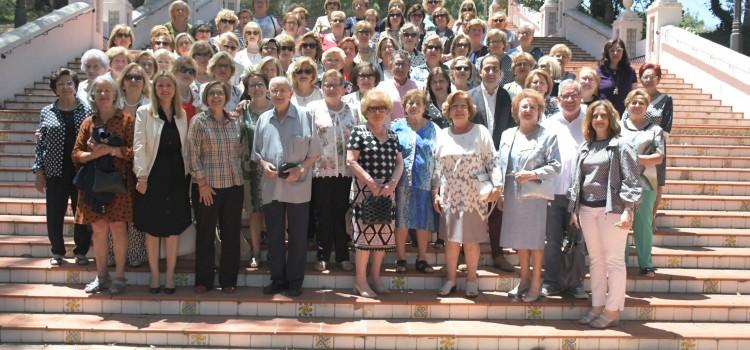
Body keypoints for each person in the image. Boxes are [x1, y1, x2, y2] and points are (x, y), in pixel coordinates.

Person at [569, 100, 641, 329]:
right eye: (595, 116)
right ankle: (597, 306)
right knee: (597, 261)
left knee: (614, 261)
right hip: (587, 210)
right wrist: (574, 209)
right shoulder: (586, 146)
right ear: (590, 120)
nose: (599, 120)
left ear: (611, 118)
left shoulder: (621, 145)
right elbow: (578, 181)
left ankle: (612, 311)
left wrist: (629, 209)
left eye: (603, 115)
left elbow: (632, 179)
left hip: (613, 210)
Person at [254, 77, 321, 297]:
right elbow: (257, 154)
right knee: (273, 235)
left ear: (291, 92)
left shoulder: (306, 117)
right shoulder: (263, 119)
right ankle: (277, 279)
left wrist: (300, 169)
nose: (278, 94)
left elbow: (315, 154)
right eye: (274, 90)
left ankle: (294, 281)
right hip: (272, 186)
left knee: (298, 236)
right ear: (268, 93)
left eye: (283, 90)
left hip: (298, 186)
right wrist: (264, 165)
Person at [433, 90, 501, 298]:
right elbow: (436, 168)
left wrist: (497, 186)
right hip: (450, 196)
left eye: (463, 106)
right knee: (451, 242)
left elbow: (492, 161)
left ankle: (472, 279)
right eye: (455, 106)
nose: (459, 110)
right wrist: (435, 193)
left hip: (474, 196)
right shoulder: (443, 134)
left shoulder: (480, 132)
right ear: (448, 111)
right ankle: (451, 280)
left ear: (470, 110)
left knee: (471, 241)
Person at [497, 89, 561, 302]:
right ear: (517, 110)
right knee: (520, 240)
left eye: (533, 107)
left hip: (535, 197)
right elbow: (500, 164)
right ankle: (523, 279)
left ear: (540, 111)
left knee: (534, 242)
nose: (528, 110)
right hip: (513, 195)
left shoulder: (547, 135)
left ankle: (535, 282)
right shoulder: (508, 134)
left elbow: (555, 165)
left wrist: (533, 174)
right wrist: (498, 192)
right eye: (524, 106)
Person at [73, 75, 135, 294]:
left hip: (117, 184)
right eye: (98, 91)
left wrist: (111, 150)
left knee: (118, 228)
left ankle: (119, 277)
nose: (103, 95)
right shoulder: (88, 122)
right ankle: (101, 277)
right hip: (93, 184)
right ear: (93, 95)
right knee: (98, 229)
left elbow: (134, 152)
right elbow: (76, 154)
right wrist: (91, 154)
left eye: (107, 90)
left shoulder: (126, 120)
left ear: (115, 94)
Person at [133, 71, 192, 295]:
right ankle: (155, 276)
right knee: (152, 227)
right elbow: (138, 145)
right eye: (160, 86)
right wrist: (141, 176)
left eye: (169, 85)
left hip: (177, 176)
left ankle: (169, 276)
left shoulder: (181, 114)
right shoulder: (144, 113)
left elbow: (185, 147)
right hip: (152, 176)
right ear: (154, 89)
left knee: (173, 228)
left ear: (175, 89)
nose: (165, 89)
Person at [188, 81, 244, 294]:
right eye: (211, 94)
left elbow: (240, 151)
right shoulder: (198, 121)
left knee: (231, 233)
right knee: (205, 233)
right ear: (205, 98)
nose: (216, 97)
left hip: (233, 185)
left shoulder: (234, 121)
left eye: (220, 93)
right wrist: (201, 183)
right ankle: (204, 280)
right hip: (207, 187)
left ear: (226, 96)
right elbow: (192, 155)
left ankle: (228, 279)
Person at [347, 89, 404, 298]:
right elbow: (351, 161)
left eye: (381, 108)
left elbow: (400, 163)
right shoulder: (358, 132)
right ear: (365, 111)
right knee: (364, 238)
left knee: (382, 237)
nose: (377, 112)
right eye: (372, 108)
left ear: (387, 110)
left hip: (388, 191)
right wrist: (371, 182)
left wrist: (393, 184)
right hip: (365, 191)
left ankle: (376, 278)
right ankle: (360, 281)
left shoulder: (392, 135)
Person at [34, 68, 93, 266]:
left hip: (81, 170)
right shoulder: (46, 112)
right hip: (55, 170)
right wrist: (39, 172)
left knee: (81, 212)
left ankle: (81, 251)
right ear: (55, 90)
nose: (66, 87)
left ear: (75, 87)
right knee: (55, 212)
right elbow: (41, 144)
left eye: (69, 83)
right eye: (61, 84)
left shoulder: (87, 110)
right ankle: (57, 251)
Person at [541, 79, 588, 299]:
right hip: (552, 191)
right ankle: (551, 281)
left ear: (581, 97)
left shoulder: (589, 121)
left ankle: (575, 284)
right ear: (558, 99)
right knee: (552, 240)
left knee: (577, 241)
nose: (570, 100)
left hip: (580, 195)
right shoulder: (549, 123)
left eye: (574, 95)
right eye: (565, 96)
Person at [469, 54, 516, 272]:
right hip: (476, 161)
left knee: (497, 209)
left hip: (501, 163)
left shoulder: (508, 97)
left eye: (494, 69)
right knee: (474, 208)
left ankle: (498, 253)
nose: (490, 72)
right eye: (486, 68)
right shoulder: (469, 97)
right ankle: (468, 253)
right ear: (480, 71)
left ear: (500, 73)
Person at [309, 70, 359, 272]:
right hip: (321, 171)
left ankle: (342, 255)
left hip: (346, 171)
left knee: (340, 212)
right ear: (322, 88)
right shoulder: (313, 108)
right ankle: (322, 255)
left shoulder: (352, 110)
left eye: (335, 85)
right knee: (323, 213)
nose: (331, 89)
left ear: (343, 88)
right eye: (327, 85)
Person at [392, 90, 439, 273]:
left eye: (417, 103)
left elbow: (438, 156)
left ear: (424, 107)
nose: (413, 106)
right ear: (404, 107)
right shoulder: (397, 127)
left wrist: (436, 185)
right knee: (401, 220)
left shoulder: (433, 129)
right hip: (401, 182)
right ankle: (401, 258)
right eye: (409, 103)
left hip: (425, 182)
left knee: (423, 220)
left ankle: (422, 257)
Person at [619, 89, 665, 278]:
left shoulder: (655, 130)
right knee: (620, 224)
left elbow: (659, 157)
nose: (637, 106)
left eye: (641, 103)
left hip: (646, 182)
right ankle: (619, 262)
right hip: (620, 182)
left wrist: (635, 159)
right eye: (633, 102)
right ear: (627, 105)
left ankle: (645, 264)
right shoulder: (617, 127)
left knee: (643, 224)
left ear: (647, 107)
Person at [238, 72, 273, 269]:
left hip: (272, 168)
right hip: (250, 169)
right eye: (252, 85)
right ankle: (256, 253)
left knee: (275, 212)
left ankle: (275, 250)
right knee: (254, 213)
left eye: (260, 84)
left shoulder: (276, 107)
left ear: (266, 87)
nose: (257, 88)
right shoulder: (243, 110)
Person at [636, 63, 673, 225]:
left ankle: (650, 218)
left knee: (656, 183)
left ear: (658, 79)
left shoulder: (666, 100)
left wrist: (653, 141)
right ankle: (634, 217)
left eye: (653, 77)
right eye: (646, 76)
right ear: (641, 79)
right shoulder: (636, 97)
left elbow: (667, 125)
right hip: (636, 146)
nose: (649, 80)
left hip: (656, 146)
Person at [596, 38, 636, 115]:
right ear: (607, 52)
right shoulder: (598, 71)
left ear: (623, 52)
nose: (615, 53)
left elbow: (633, 95)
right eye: (612, 50)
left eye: (619, 50)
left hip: (624, 116)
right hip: (604, 115)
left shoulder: (630, 71)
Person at [376, 50, 418, 123]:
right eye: (397, 64)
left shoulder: (417, 87)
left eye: (404, 64)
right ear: (391, 64)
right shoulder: (381, 88)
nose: (400, 67)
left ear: (409, 67)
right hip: (390, 131)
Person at [172, 57, 200, 123]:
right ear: (174, 72)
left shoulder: (197, 97)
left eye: (191, 72)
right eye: (183, 69)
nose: (187, 73)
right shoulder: (167, 95)